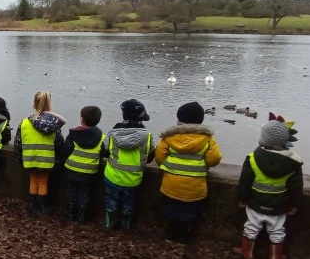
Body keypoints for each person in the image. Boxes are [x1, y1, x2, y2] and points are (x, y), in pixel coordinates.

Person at [234, 114, 303, 259]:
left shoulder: (253, 158)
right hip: (279, 205)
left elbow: (245, 181)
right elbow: (296, 187)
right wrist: (295, 205)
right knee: (277, 230)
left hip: (256, 201)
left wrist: (242, 199)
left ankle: (246, 251)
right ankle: (275, 257)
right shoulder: (294, 163)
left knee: (251, 226)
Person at [155, 102, 222, 245]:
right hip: (194, 186)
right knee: (189, 213)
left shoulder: (169, 137)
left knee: (172, 211)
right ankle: (184, 238)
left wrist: (167, 165)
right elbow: (214, 158)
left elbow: (159, 156)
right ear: (201, 120)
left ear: (179, 119)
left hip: (171, 184)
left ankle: (170, 236)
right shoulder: (207, 139)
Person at [104, 99, 154, 231]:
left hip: (112, 176)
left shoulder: (112, 132)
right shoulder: (147, 135)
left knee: (111, 200)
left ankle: (109, 223)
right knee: (129, 202)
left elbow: (104, 150)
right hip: (133, 179)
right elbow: (150, 156)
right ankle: (126, 224)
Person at [14, 91, 66, 216]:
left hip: (30, 158)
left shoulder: (24, 122)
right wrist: (58, 160)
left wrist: (17, 158)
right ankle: (41, 208)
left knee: (33, 180)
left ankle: (34, 207)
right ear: (50, 104)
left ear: (33, 105)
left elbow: (17, 142)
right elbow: (60, 143)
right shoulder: (54, 125)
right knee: (42, 182)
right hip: (46, 161)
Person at [63, 106, 108, 223]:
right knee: (84, 194)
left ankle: (70, 214)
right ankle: (81, 216)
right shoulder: (102, 138)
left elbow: (66, 150)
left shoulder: (73, 134)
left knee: (71, 192)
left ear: (81, 119)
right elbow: (103, 153)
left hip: (71, 170)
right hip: (89, 172)